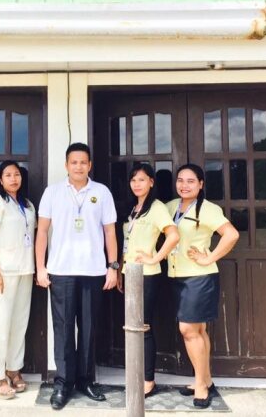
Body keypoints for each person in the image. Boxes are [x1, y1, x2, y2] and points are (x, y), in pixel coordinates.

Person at [35, 142, 119, 410]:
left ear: (90, 165)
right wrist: (40, 267)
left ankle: (85, 380)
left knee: (89, 328)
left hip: (93, 271)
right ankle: (63, 383)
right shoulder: (53, 192)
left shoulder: (101, 192)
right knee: (62, 329)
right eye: (74, 162)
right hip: (61, 271)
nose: (79, 167)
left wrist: (113, 266)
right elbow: (41, 232)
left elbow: (110, 232)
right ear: (66, 165)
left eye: (83, 162)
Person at [166, 163, 239, 408]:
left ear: (200, 184)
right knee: (198, 330)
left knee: (188, 329)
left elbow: (231, 234)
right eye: (180, 180)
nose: (184, 185)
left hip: (199, 277)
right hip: (176, 275)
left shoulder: (208, 209)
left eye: (190, 181)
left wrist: (209, 257)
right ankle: (206, 379)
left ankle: (200, 386)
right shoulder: (170, 207)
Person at [119, 163, 179, 397]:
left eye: (142, 179)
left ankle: (148, 380)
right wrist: (121, 269)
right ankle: (136, 374)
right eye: (133, 180)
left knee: (143, 326)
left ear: (152, 182)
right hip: (129, 272)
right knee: (132, 326)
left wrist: (155, 258)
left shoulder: (156, 208)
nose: (137, 184)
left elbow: (173, 235)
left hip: (147, 275)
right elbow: (127, 242)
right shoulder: (133, 208)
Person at [0, 161, 36, 400]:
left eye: (17, 174)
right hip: (2, 272)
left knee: (19, 323)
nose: (13, 178)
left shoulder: (28, 205)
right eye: (8, 175)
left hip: (25, 270)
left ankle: (13, 368)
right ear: (0, 180)